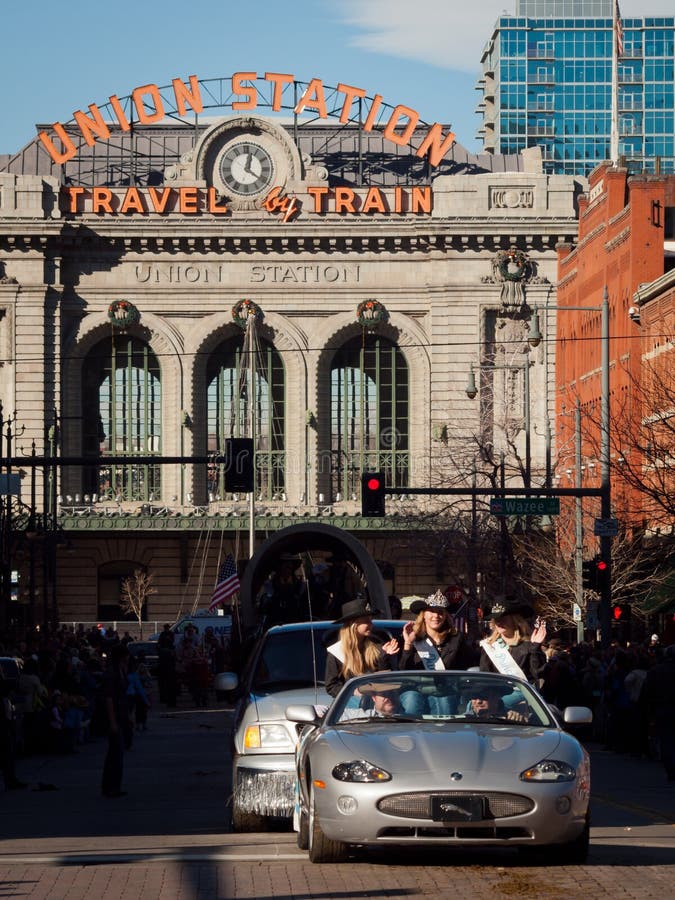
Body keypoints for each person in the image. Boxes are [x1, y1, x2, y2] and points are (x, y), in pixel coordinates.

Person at [399, 589, 478, 714]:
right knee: (412, 702)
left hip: (446, 690)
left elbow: (468, 666)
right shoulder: (412, 638)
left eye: (440, 612)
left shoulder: (457, 639)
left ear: (446, 615)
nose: (436, 616)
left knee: (444, 704)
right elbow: (402, 672)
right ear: (423, 615)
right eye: (431, 611)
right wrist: (408, 644)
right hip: (415, 689)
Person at [324, 599, 399, 698]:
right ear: (353, 625)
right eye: (366, 621)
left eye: (371, 620)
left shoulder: (377, 646)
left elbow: (385, 682)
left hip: (378, 699)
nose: (371, 625)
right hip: (352, 705)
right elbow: (331, 686)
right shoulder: (336, 652)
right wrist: (352, 693)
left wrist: (384, 657)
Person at [479, 598, 547, 685]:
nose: (499, 622)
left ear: (515, 620)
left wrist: (535, 648)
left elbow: (538, 674)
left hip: (522, 696)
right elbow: (484, 678)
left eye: (503, 618)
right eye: (496, 619)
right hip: (496, 694)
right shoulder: (490, 646)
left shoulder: (529, 646)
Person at [641, 644, 675, 781]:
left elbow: (647, 692)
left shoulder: (656, 671)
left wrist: (648, 711)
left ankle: (671, 769)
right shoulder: (655, 671)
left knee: (667, 739)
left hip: (663, 709)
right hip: (664, 707)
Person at [101, 642, 131, 798]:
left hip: (122, 714)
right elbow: (109, 698)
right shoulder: (111, 673)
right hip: (115, 716)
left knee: (117, 752)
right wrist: (112, 721)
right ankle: (111, 787)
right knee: (115, 752)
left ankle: (113, 785)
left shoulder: (121, 670)